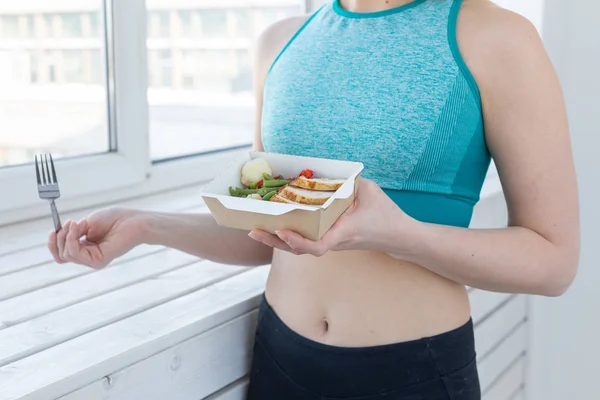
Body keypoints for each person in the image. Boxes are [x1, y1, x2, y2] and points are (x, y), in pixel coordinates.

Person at [48, 0, 580, 398]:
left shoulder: (495, 37)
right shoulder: (280, 42)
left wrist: (399, 234)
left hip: (412, 373)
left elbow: (554, 261)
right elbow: (268, 234)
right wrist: (144, 225)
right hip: (280, 361)